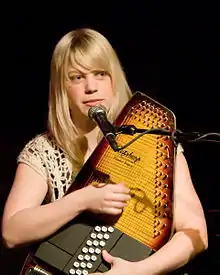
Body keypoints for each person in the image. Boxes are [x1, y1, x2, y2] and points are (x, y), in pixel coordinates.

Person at [1, 28, 208, 275]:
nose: (91, 87)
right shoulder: (44, 150)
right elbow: (12, 233)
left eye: (100, 74)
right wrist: (81, 200)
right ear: (61, 87)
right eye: (76, 77)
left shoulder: (155, 140)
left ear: (114, 79)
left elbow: (196, 234)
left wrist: (138, 271)